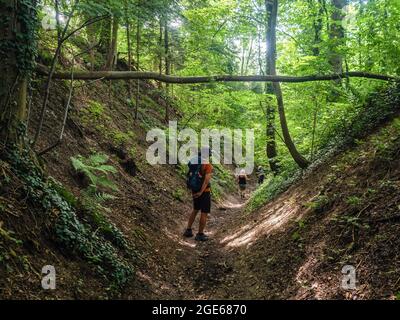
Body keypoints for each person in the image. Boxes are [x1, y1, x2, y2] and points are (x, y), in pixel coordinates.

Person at [183, 147, 213, 241]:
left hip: (194, 189)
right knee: (204, 212)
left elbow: (190, 174)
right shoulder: (207, 165)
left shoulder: (193, 161)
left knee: (195, 210)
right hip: (204, 192)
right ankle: (200, 234)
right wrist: (201, 192)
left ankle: (188, 230)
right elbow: (206, 181)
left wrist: (196, 191)